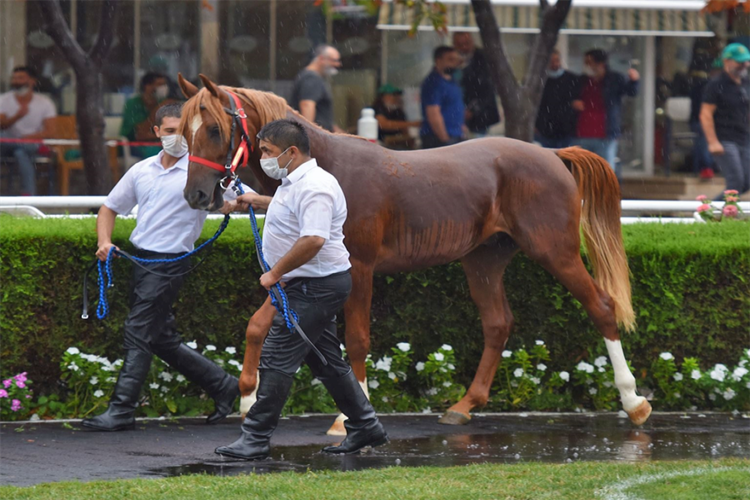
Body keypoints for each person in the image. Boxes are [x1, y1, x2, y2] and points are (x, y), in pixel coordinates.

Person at [215, 119, 387, 460]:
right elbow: (292, 212)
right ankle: (366, 426)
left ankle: (256, 438)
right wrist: (256, 201)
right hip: (310, 284)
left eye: (268, 152)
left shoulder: (316, 186)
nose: (263, 157)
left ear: (292, 152)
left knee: (277, 357)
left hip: (315, 286)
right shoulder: (294, 182)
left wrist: (275, 273)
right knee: (326, 361)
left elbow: (313, 238)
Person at [82, 103, 244, 432]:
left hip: (170, 262)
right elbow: (109, 208)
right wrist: (104, 241)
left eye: (183, 131)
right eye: (170, 131)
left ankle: (122, 410)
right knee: (161, 339)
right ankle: (224, 386)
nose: (177, 138)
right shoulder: (142, 170)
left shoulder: (201, 170)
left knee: (138, 332)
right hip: (140, 258)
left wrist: (233, 202)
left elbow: (243, 199)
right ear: (156, 132)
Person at [572, 49, 640, 177]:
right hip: (582, 133)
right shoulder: (581, 81)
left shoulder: (614, 79)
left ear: (601, 64)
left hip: (605, 133)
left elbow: (631, 92)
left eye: (589, 62)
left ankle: (604, 196)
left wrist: (634, 81)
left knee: (605, 171)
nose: (586, 66)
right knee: (582, 171)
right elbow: (569, 99)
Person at [700, 43, 750, 198]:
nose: (745, 65)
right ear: (726, 61)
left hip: (744, 137)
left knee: (747, 181)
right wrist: (713, 142)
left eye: (746, 61)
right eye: (740, 62)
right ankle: (712, 214)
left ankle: (713, 213)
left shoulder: (746, 83)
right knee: (735, 182)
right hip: (724, 139)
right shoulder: (716, 84)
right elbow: (705, 114)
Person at [0, 66, 56, 195]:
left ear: (32, 81)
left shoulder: (45, 103)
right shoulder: (3, 100)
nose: (16, 81)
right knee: (20, 152)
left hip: (31, 145)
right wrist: (17, 116)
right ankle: (29, 195)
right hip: (6, 145)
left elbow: (51, 131)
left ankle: (27, 194)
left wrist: (28, 138)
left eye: (21, 78)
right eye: (14, 78)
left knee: (21, 152)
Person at [452, 32, 500, 138]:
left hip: (479, 115)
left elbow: (488, 89)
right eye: (459, 44)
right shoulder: (453, 59)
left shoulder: (483, 58)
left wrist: (472, 110)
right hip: (456, 115)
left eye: (466, 43)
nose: (463, 47)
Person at [420, 46, 465, 149]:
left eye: (456, 60)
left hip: (455, 134)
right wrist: (445, 139)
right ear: (438, 60)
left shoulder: (452, 81)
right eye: (450, 59)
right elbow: (433, 112)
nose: (454, 63)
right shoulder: (433, 83)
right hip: (438, 137)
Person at [291, 45, 343, 133]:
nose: (338, 64)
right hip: (316, 140)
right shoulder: (311, 78)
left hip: (321, 137)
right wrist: (308, 135)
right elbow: (307, 104)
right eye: (334, 60)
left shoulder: (310, 76)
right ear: (322, 59)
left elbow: (322, 114)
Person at [120, 72, 172, 158]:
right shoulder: (133, 104)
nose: (164, 87)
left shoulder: (162, 102)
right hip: (131, 144)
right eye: (159, 84)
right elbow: (140, 133)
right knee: (155, 153)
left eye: (165, 84)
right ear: (147, 86)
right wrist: (158, 109)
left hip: (156, 142)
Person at [535, 49, 578, 149]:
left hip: (567, 129)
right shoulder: (539, 80)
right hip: (544, 129)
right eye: (551, 61)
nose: (554, 64)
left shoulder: (572, 79)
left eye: (557, 60)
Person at [688, 55, 721, 180]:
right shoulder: (702, 86)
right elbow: (699, 112)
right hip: (699, 121)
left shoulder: (726, 86)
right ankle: (706, 167)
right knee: (703, 134)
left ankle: (713, 166)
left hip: (720, 123)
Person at [371, 84, 420, 149]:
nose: (396, 98)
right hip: (378, 145)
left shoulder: (398, 111)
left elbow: (405, 131)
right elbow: (382, 124)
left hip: (396, 146)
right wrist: (412, 124)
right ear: (383, 97)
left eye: (397, 95)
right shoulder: (377, 108)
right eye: (393, 95)